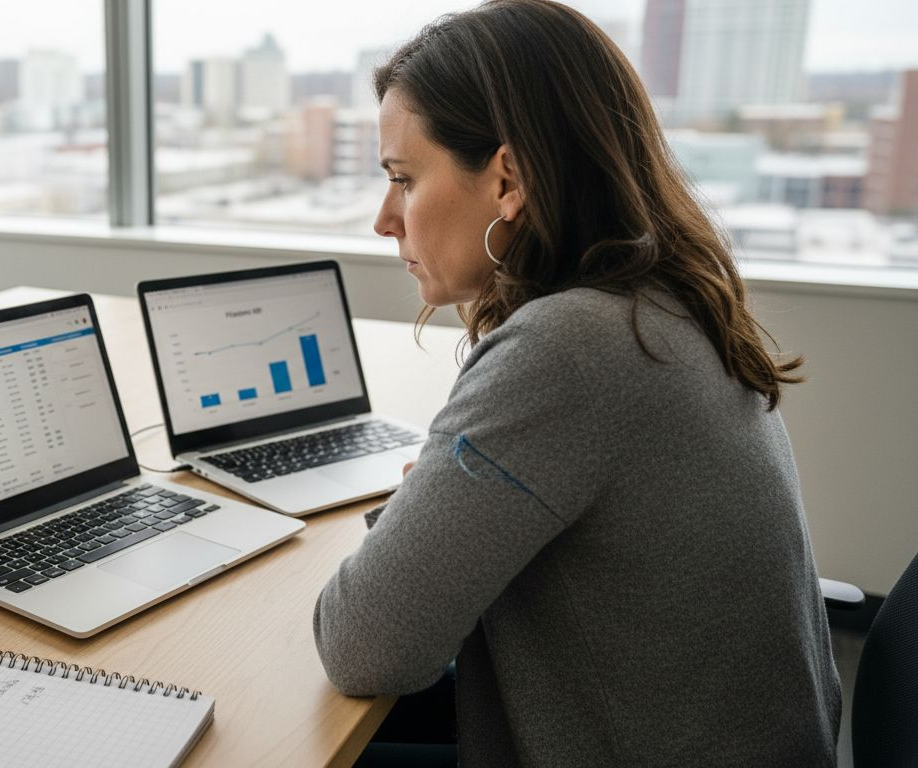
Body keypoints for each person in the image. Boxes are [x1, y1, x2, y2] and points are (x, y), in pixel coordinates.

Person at [311, 1, 842, 765]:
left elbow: (363, 645)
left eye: (403, 178)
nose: (384, 218)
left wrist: (415, 518)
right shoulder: (659, 303)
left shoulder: (571, 349)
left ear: (509, 180)